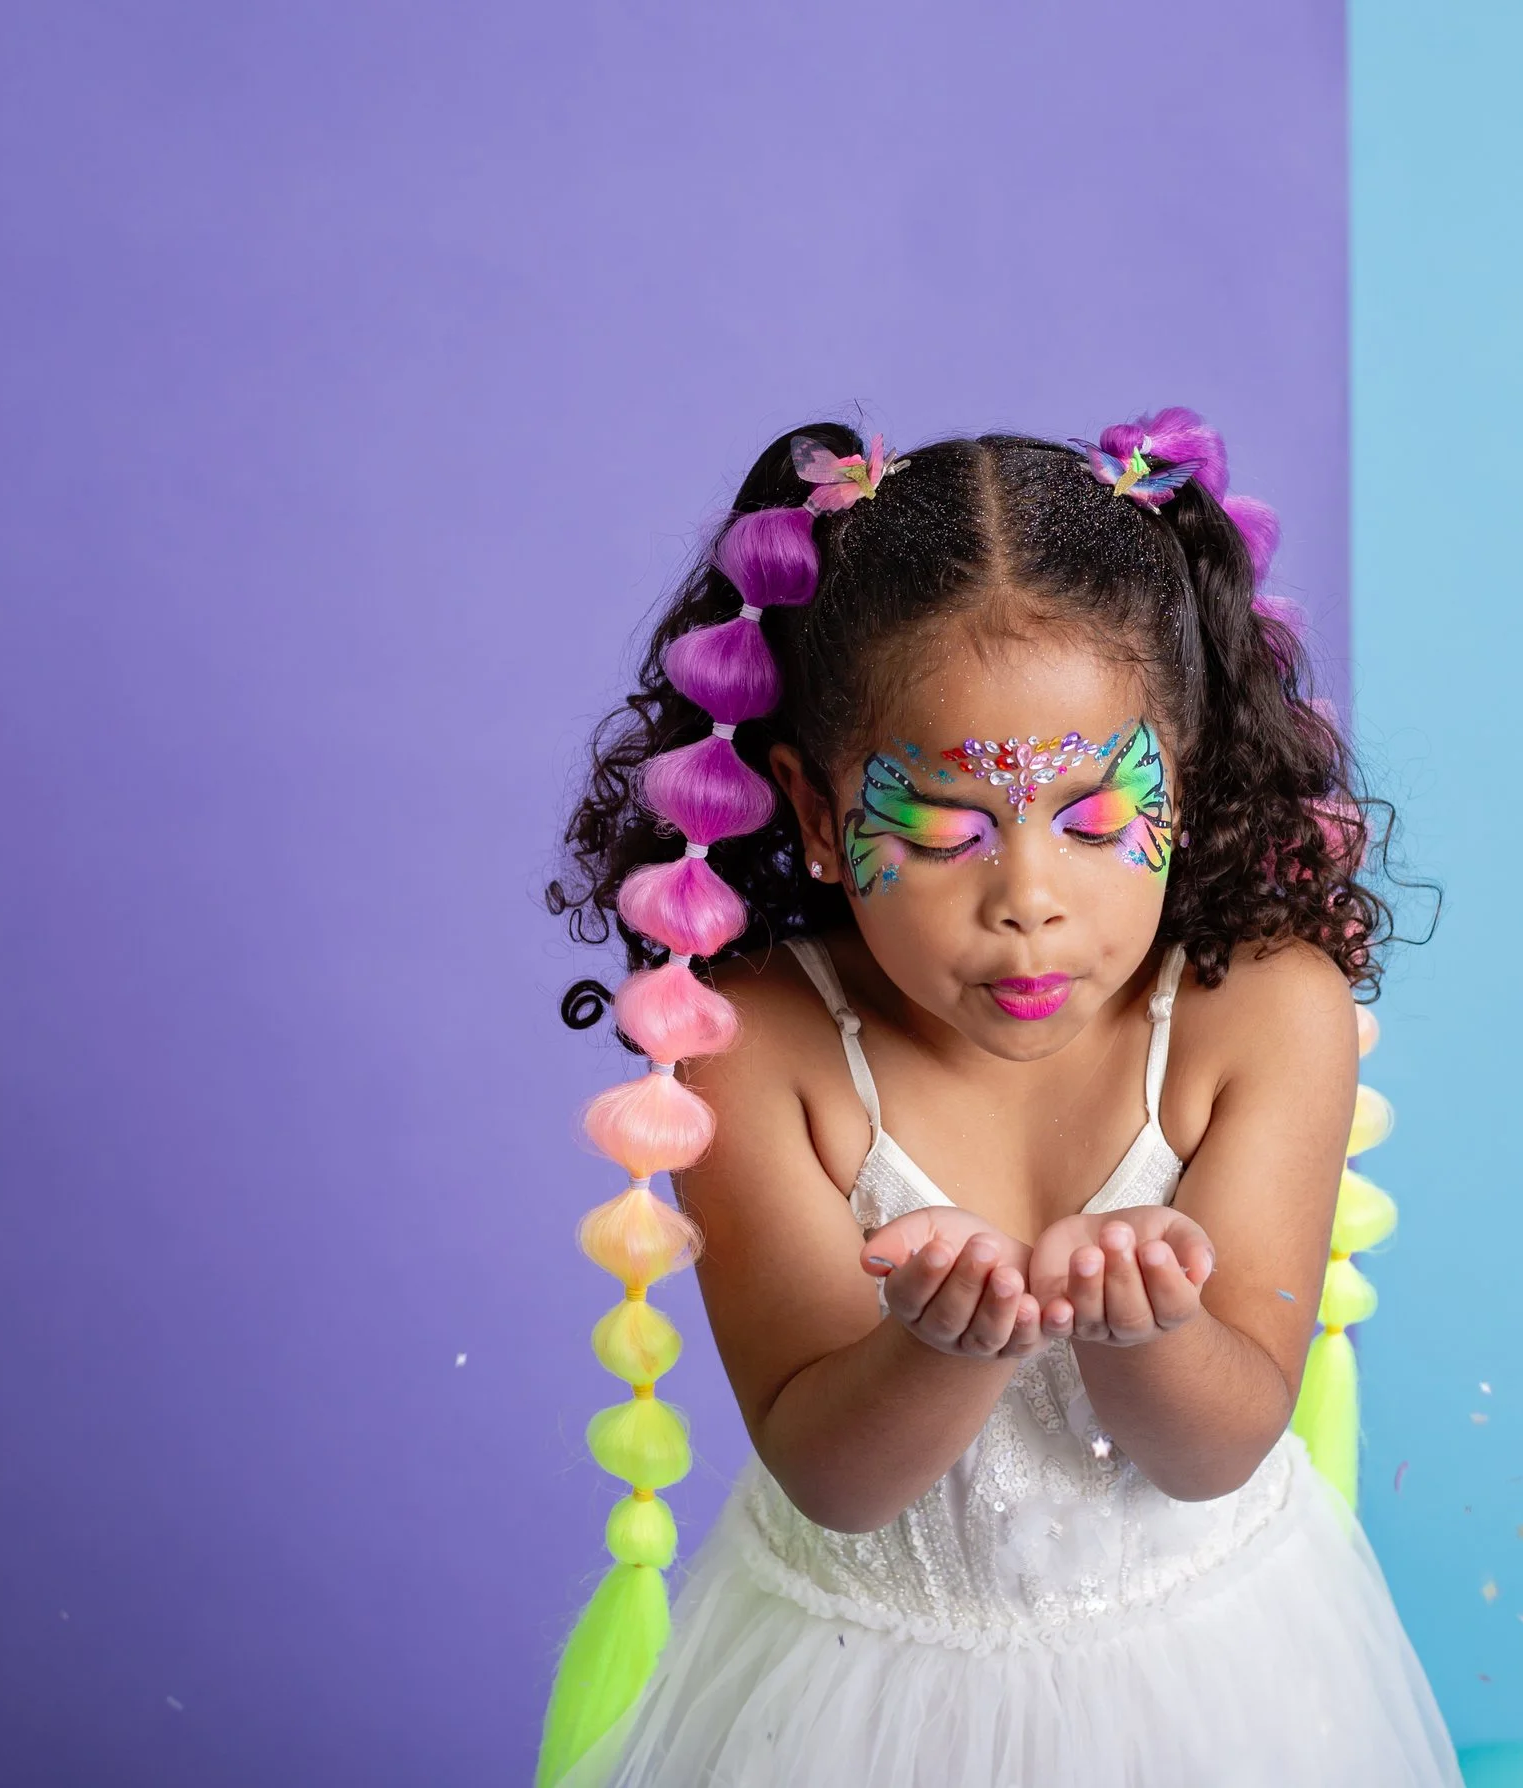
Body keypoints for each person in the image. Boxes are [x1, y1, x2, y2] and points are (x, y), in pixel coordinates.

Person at [537, 409, 1459, 1786]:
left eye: (1095, 821)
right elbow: (835, 1483)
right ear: (809, 811)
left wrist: (1146, 1333)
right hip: (855, 1700)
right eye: (946, 826)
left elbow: (1220, 1450)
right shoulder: (760, 1047)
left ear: (1187, 783)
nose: (1030, 901)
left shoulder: (1262, 1014)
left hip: (1207, 1689)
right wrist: (942, 1347)